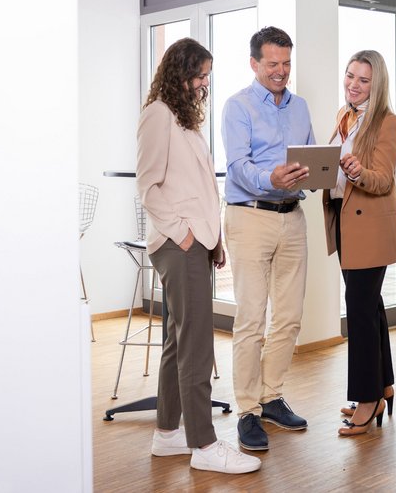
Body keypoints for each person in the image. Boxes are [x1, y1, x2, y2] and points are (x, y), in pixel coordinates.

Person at [137, 38, 261, 474]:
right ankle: (205, 446)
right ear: (179, 72)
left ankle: (167, 433)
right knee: (195, 343)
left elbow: (201, 187)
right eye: (199, 75)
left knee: (177, 339)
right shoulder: (158, 116)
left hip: (195, 243)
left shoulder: (183, 118)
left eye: (207, 75)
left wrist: (214, 239)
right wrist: (185, 235)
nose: (204, 83)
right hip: (177, 245)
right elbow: (148, 187)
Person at [221, 26, 315, 451]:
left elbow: (311, 156)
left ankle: (271, 395)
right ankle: (246, 410)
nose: (281, 72)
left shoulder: (301, 107)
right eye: (273, 64)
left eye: (287, 64)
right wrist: (269, 178)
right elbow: (237, 165)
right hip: (250, 217)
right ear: (254, 63)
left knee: (291, 316)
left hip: (293, 217)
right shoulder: (237, 106)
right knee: (252, 319)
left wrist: (320, 173)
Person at [322, 50, 396, 437]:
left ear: (378, 85)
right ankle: (384, 383)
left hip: (371, 230)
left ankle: (367, 398)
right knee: (370, 308)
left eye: (363, 80)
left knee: (357, 312)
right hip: (344, 224)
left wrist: (359, 172)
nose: (353, 85)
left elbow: (383, 180)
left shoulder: (387, 122)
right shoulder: (344, 117)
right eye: (349, 76)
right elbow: (333, 168)